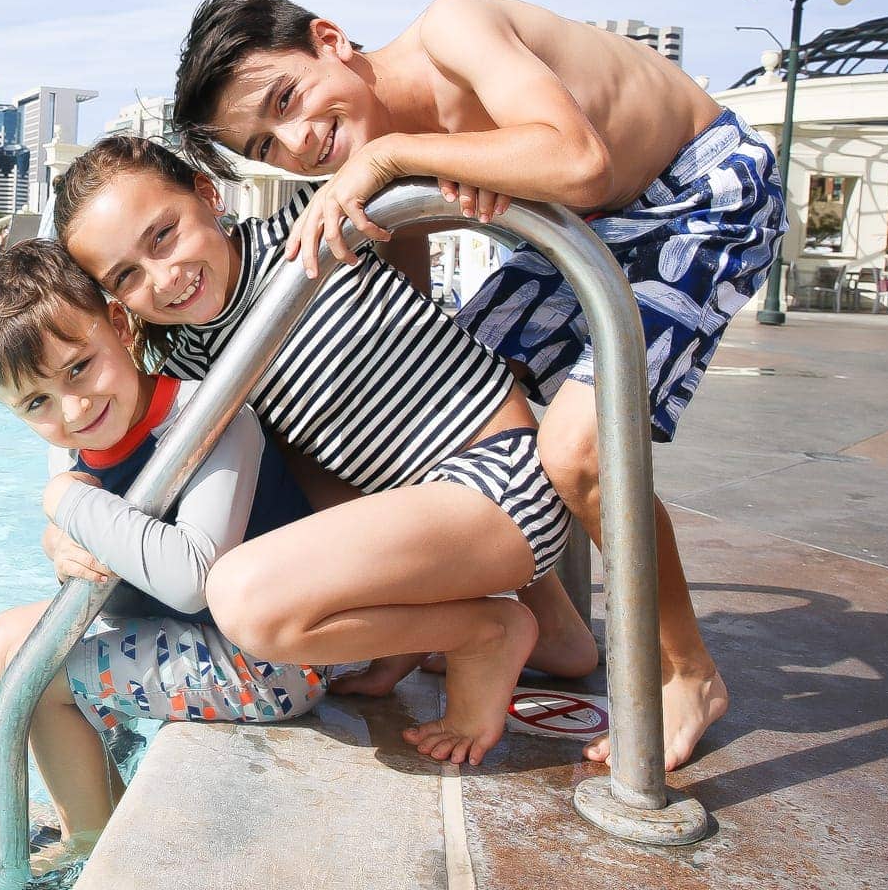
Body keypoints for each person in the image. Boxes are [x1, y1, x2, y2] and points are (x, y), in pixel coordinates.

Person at [170, 0, 787, 768]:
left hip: (695, 192)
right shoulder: (378, 163)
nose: (297, 142)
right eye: (265, 147)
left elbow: (579, 159)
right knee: (435, 406)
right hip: (582, 233)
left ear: (331, 39)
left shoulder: (451, 30)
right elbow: (416, 347)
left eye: (287, 98)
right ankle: (549, 624)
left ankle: (686, 671)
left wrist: (390, 158)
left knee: (578, 453)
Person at [55, 135, 581, 763]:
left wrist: (379, 159)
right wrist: (70, 517)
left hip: (501, 482)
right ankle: (547, 634)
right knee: (280, 471)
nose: (163, 278)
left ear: (206, 193)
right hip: (422, 520)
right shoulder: (182, 352)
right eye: (127, 276)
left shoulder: (308, 229)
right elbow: (113, 441)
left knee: (244, 601)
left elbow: (420, 158)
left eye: (163, 235)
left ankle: (484, 632)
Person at [0, 241, 323, 874]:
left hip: (273, 664)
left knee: (33, 669)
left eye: (79, 368)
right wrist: (59, 540)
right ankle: (93, 812)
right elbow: (105, 564)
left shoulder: (210, 418)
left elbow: (190, 579)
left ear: (120, 326)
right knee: (8, 641)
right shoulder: (78, 445)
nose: (72, 409)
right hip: (202, 641)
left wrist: (64, 505)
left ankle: (91, 847)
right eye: (36, 404)